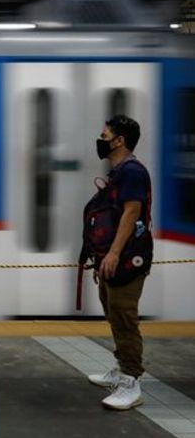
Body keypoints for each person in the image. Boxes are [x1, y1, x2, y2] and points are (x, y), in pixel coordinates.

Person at [86, 115, 151, 410]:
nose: (101, 140)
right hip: (113, 256)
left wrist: (112, 254)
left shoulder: (132, 172)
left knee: (124, 316)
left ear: (119, 140)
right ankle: (121, 366)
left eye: (104, 135)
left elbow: (131, 213)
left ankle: (131, 382)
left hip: (127, 258)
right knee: (113, 311)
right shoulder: (119, 172)